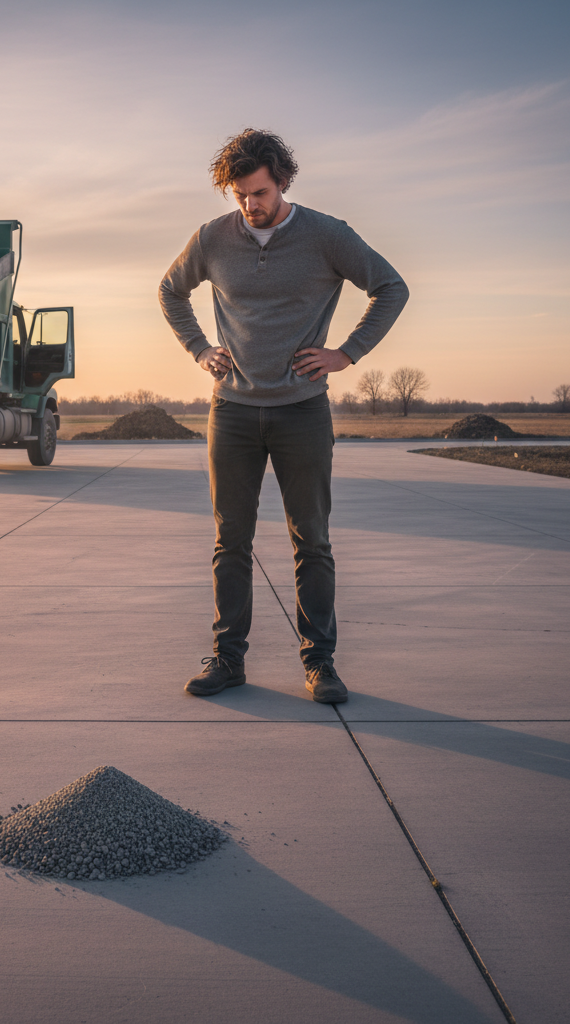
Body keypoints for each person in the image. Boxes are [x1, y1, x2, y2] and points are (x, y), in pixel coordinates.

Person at [159, 128, 409, 702]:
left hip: (302, 412)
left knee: (312, 541)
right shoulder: (212, 238)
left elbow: (390, 288)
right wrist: (199, 349)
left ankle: (320, 663)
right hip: (232, 411)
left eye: (261, 193)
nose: (251, 205)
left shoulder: (327, 235)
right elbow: (171, 291)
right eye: (241, 195)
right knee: (230, 541)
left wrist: (347, 353)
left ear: (284, 182)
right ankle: (228, 659)